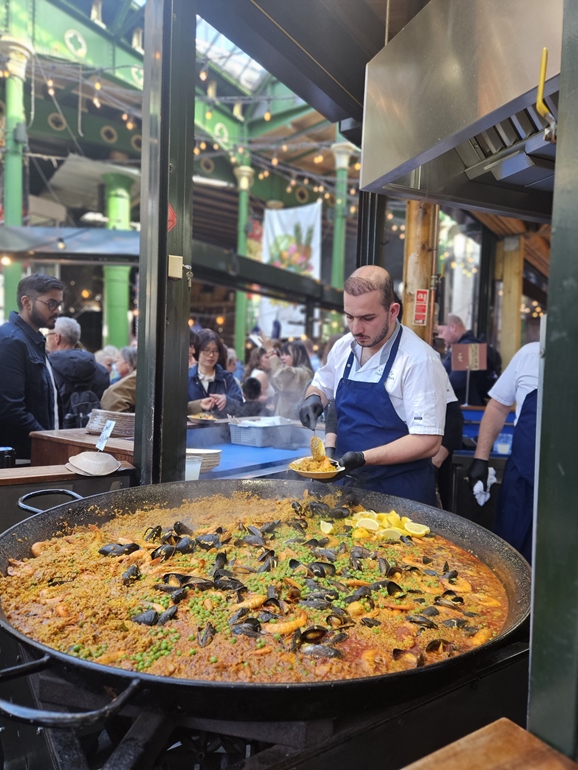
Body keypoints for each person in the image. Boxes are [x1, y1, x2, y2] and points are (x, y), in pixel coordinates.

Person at [299, 265, 448, 506]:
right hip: (346, 487)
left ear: (392, 311)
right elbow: (321, 386)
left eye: (367, 318)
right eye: (350, 317)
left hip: (399, 495)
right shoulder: (344, 347)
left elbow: (428, 441)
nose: (356, 328)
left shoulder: (419, 360)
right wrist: (313, 398)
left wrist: (363, 457)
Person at [467, 341, 539, 562]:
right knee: (511, 559)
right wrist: (481, 457)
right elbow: (498, 406)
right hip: (521, 480)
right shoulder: (531, 354)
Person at [0, 272, 65, 459]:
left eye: (59, 304)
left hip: (36, 455)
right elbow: (10, 409)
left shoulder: (32, 340)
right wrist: (48, 443)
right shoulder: (11, 341)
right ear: (27, 302)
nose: (57, 310)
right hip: (20, 461)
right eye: (51, 303)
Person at [46, 317, 110, 424]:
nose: (47, 339)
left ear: (57, 337)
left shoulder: (47, 370)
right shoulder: (102, 371)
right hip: (92, 435)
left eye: (48, 335)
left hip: (56, 434)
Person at [437, 314, 496, 405]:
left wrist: (434, 384)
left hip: (467, 407)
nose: (440, 337)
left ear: (453, 327)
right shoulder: (466, 346)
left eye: (441, 332)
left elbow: (457, 381)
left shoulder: (468, 347)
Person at [187, 329, 242, 416]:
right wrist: (198, 405)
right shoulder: (187, 378)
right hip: (192, 429)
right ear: (197, 351)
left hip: (222, 428)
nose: (211, 355)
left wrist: (227, 400)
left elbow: (240, 406)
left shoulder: (226, 378)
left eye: (215, 351)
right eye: (206, 350)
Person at [262, 337, 313, 419]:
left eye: (287, 354)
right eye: (282, 354)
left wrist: (270, 352)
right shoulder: (296, 372)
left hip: (296, 425)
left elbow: (281, 375)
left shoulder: (303, 373)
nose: (282, 357)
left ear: (298, 354)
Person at [100, 346, 138, 412]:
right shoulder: (122, 380)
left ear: (128, 363)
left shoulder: (134, 379)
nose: (116, 364)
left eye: (118, 360)